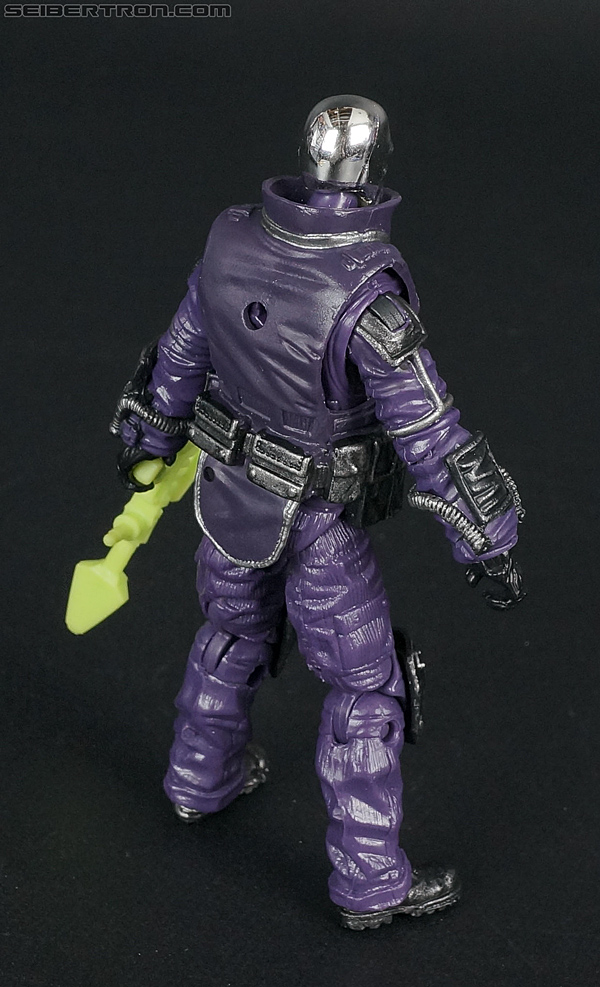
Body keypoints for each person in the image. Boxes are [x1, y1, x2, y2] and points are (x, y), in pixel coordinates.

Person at [113, 96, 525, 930]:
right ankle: (369, 880)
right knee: (367, 691)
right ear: (374, 169)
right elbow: (428, 429)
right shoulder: (367, 295)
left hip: (227, 495)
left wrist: (148, 437)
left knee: (231, 634)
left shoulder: (229, 239)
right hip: (315, 525)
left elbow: (181, 353)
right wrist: (490, 538)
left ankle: (199, 778)